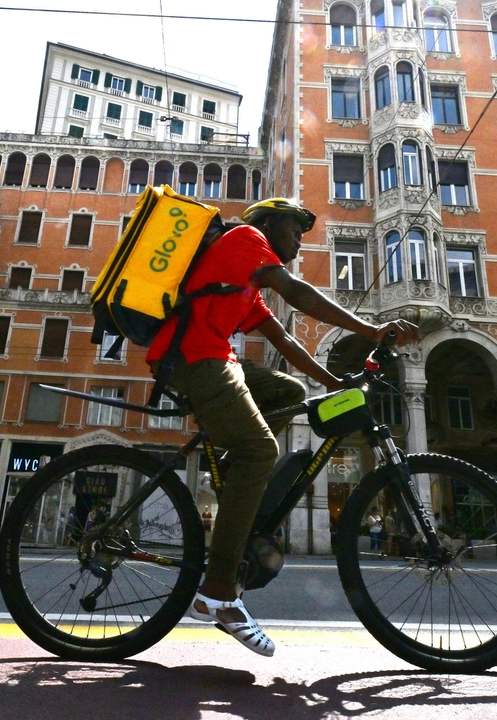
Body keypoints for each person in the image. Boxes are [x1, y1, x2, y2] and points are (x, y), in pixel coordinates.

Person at [150, 197, 418, 657]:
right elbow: (299, 294)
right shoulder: (247, 239)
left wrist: (333, 382)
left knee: (291, 394)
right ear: (270, 224)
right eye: (295, 229)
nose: (299, 240)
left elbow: (285, 340)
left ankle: (235, 469)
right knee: (261, 453)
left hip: (217, 358)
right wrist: (372, 330)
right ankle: (217, 592)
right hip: (194, 357)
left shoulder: (247, 285)